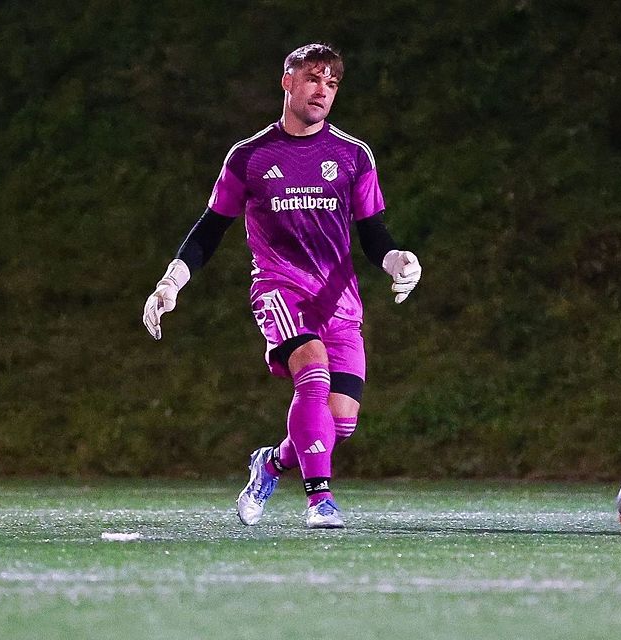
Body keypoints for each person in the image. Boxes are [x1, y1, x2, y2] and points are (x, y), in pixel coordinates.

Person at [142, 43, 421, 529]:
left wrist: (400, 260)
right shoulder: (249, 156)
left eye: (332, 84)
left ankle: (269, 463)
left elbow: (374, 232)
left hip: (338, 300)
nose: (322, 91)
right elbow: (211, 228)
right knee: (311, 372)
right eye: (313, 79)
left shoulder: (353, 155)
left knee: (341, 422)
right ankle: (320, 500)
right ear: (287, 82)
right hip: (280, 289)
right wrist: (172, 280)